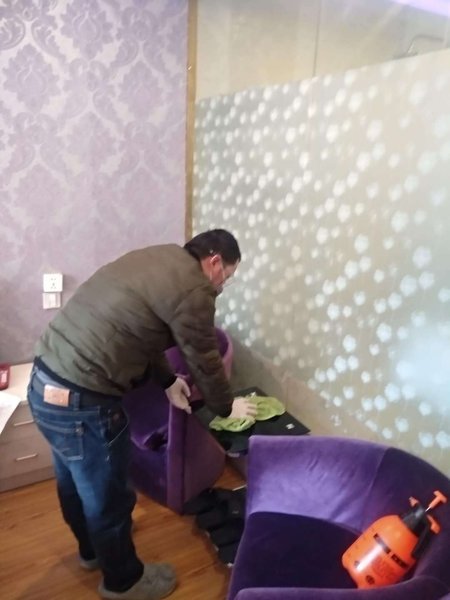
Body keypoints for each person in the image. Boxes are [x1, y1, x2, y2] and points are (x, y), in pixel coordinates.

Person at [27, 229, 257, 600]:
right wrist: (228, 407)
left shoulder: (158, 258)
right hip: (83, 400)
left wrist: (167, 381)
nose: (221, 287)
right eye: (226, 277)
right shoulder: (195, 288)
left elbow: (142, 333)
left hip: (44, 382)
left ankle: (92, 551)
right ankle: (123, 582)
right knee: (108, 497)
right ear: (215, 262)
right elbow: (205, 359)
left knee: (73, 480)